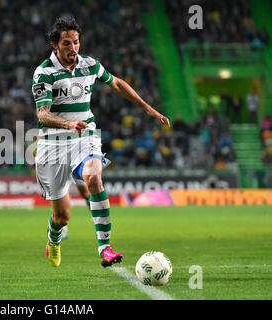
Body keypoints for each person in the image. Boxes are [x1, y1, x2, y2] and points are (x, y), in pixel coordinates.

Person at [32, 17, 170, 268]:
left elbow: (116, 83)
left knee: (94, 178)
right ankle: (53, 238)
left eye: (76, 42)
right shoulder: (44, 73)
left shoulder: (90, 65)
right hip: (52, 146)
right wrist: (66, 123)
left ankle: (105, 248)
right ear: (55, 45)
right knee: (62, 217)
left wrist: (148, 108)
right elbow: (42, 114)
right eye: (66, 43)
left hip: (84, 136)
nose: (73, 47)